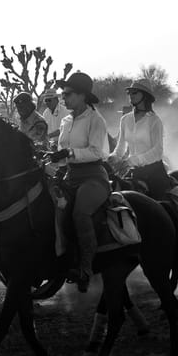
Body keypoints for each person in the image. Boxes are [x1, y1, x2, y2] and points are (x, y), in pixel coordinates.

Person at [46, 72, 110, 293]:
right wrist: (52, 155)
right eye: (63, 94)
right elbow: (63, 152)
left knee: (80, 213)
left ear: (83, 95)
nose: (64, 98)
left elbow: (96, 151)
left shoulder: (96, 120)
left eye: (68, 94)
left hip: (93, 177)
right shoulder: (66, 121)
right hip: (70, 176)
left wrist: (69, 152)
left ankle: (85, 269)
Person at [109, 79, 171, 200]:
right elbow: (120, 148)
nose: (130, 96)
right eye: (129, 93)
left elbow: (157, 151)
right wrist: (113, 157)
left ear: (145, 96)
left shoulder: (154, 121)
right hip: (133, 171)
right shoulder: (125, 120)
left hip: (154, 173)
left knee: (161, 210)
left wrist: (131, 161)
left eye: (135, 93)